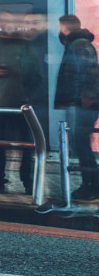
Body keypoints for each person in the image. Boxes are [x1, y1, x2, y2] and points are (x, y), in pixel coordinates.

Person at [0, 11, 40, 194]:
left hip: (21, 104)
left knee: (26, 145)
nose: (5, 24)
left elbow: (36, 75)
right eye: (1, 20)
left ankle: (28, 182)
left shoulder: (24, 45)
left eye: (8, 20)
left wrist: (29, 96)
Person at [55, 14, 99, 203]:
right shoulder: (77, 44)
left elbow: (84, 75)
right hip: (81, 103)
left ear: (65, 28)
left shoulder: (79, 45)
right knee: (80, 145)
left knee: (81, 146)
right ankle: (88, 185)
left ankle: (93, 187)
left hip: (82, 105)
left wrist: (78, 99)